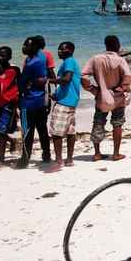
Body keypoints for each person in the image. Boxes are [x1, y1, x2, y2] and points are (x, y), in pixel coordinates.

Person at [81, 35, 131, 161]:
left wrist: (92, 89)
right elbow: (128, 76)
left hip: (102, 97)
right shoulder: (120, 60)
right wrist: (122, 87)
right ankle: (116, 153)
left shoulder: (96, 59)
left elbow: (83, 76)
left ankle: (97, 153)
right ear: (117, 45)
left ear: (106, 45)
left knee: (98, 123)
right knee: (117, 124)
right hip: (118, 97)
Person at [17, 37, 51, 168]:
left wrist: (24, 86)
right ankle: (46, 155)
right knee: (42, 130)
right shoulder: (40, 58)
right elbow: (42, 79)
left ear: (35, 47)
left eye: (27, 45)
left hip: (29, 102)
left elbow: (23, 83)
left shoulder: (31, 63)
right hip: (40, 101)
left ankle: (25, 159)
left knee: (26, 131)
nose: (24, 47)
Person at [46, 42, 81, 171]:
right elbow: (67, 85)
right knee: (70, 131)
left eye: (62, 49)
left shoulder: (69, 61)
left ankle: (59, 160)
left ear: (70, 50)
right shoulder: (68, 62)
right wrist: (55, 95)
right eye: (59, 48)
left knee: (56, 133)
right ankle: (69, 159)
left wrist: (48, 80)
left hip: (65, 103)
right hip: (70, 101)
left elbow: (66, 79)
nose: (59, 51)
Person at [0, 46, 20, 164]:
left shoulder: (14, 70)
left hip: (8, 104)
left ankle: (1, 158)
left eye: (3, 55)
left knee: (1, 131)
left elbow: (20, 85)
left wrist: (18, 102)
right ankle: (12, 141)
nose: (0, 57)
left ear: (9, 57)